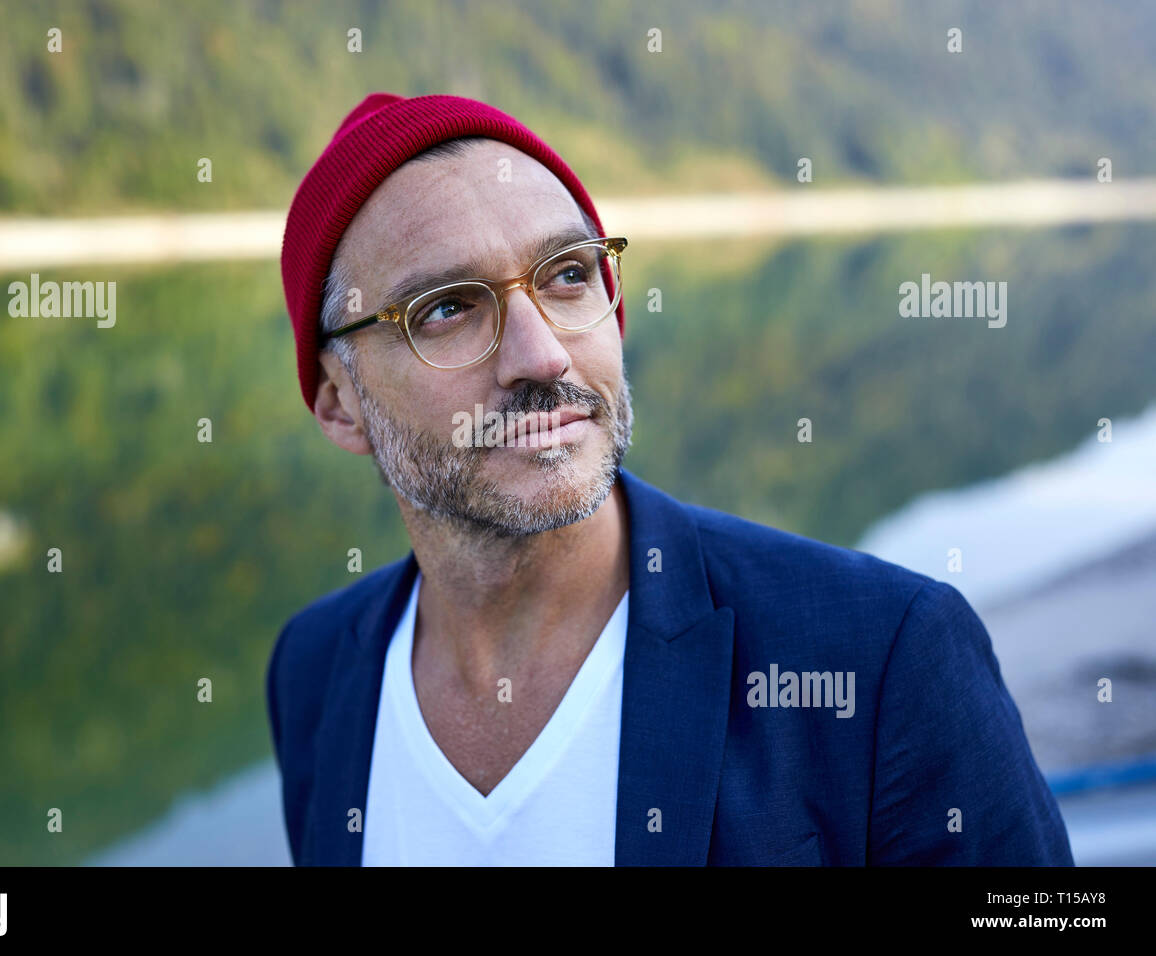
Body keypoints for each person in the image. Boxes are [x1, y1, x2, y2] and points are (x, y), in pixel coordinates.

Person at [265, 91, 1074, 866]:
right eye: (446, 308)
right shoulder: (315, 667)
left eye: (569, 274)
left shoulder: (886, 656)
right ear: (341, 405)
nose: (542, 354)